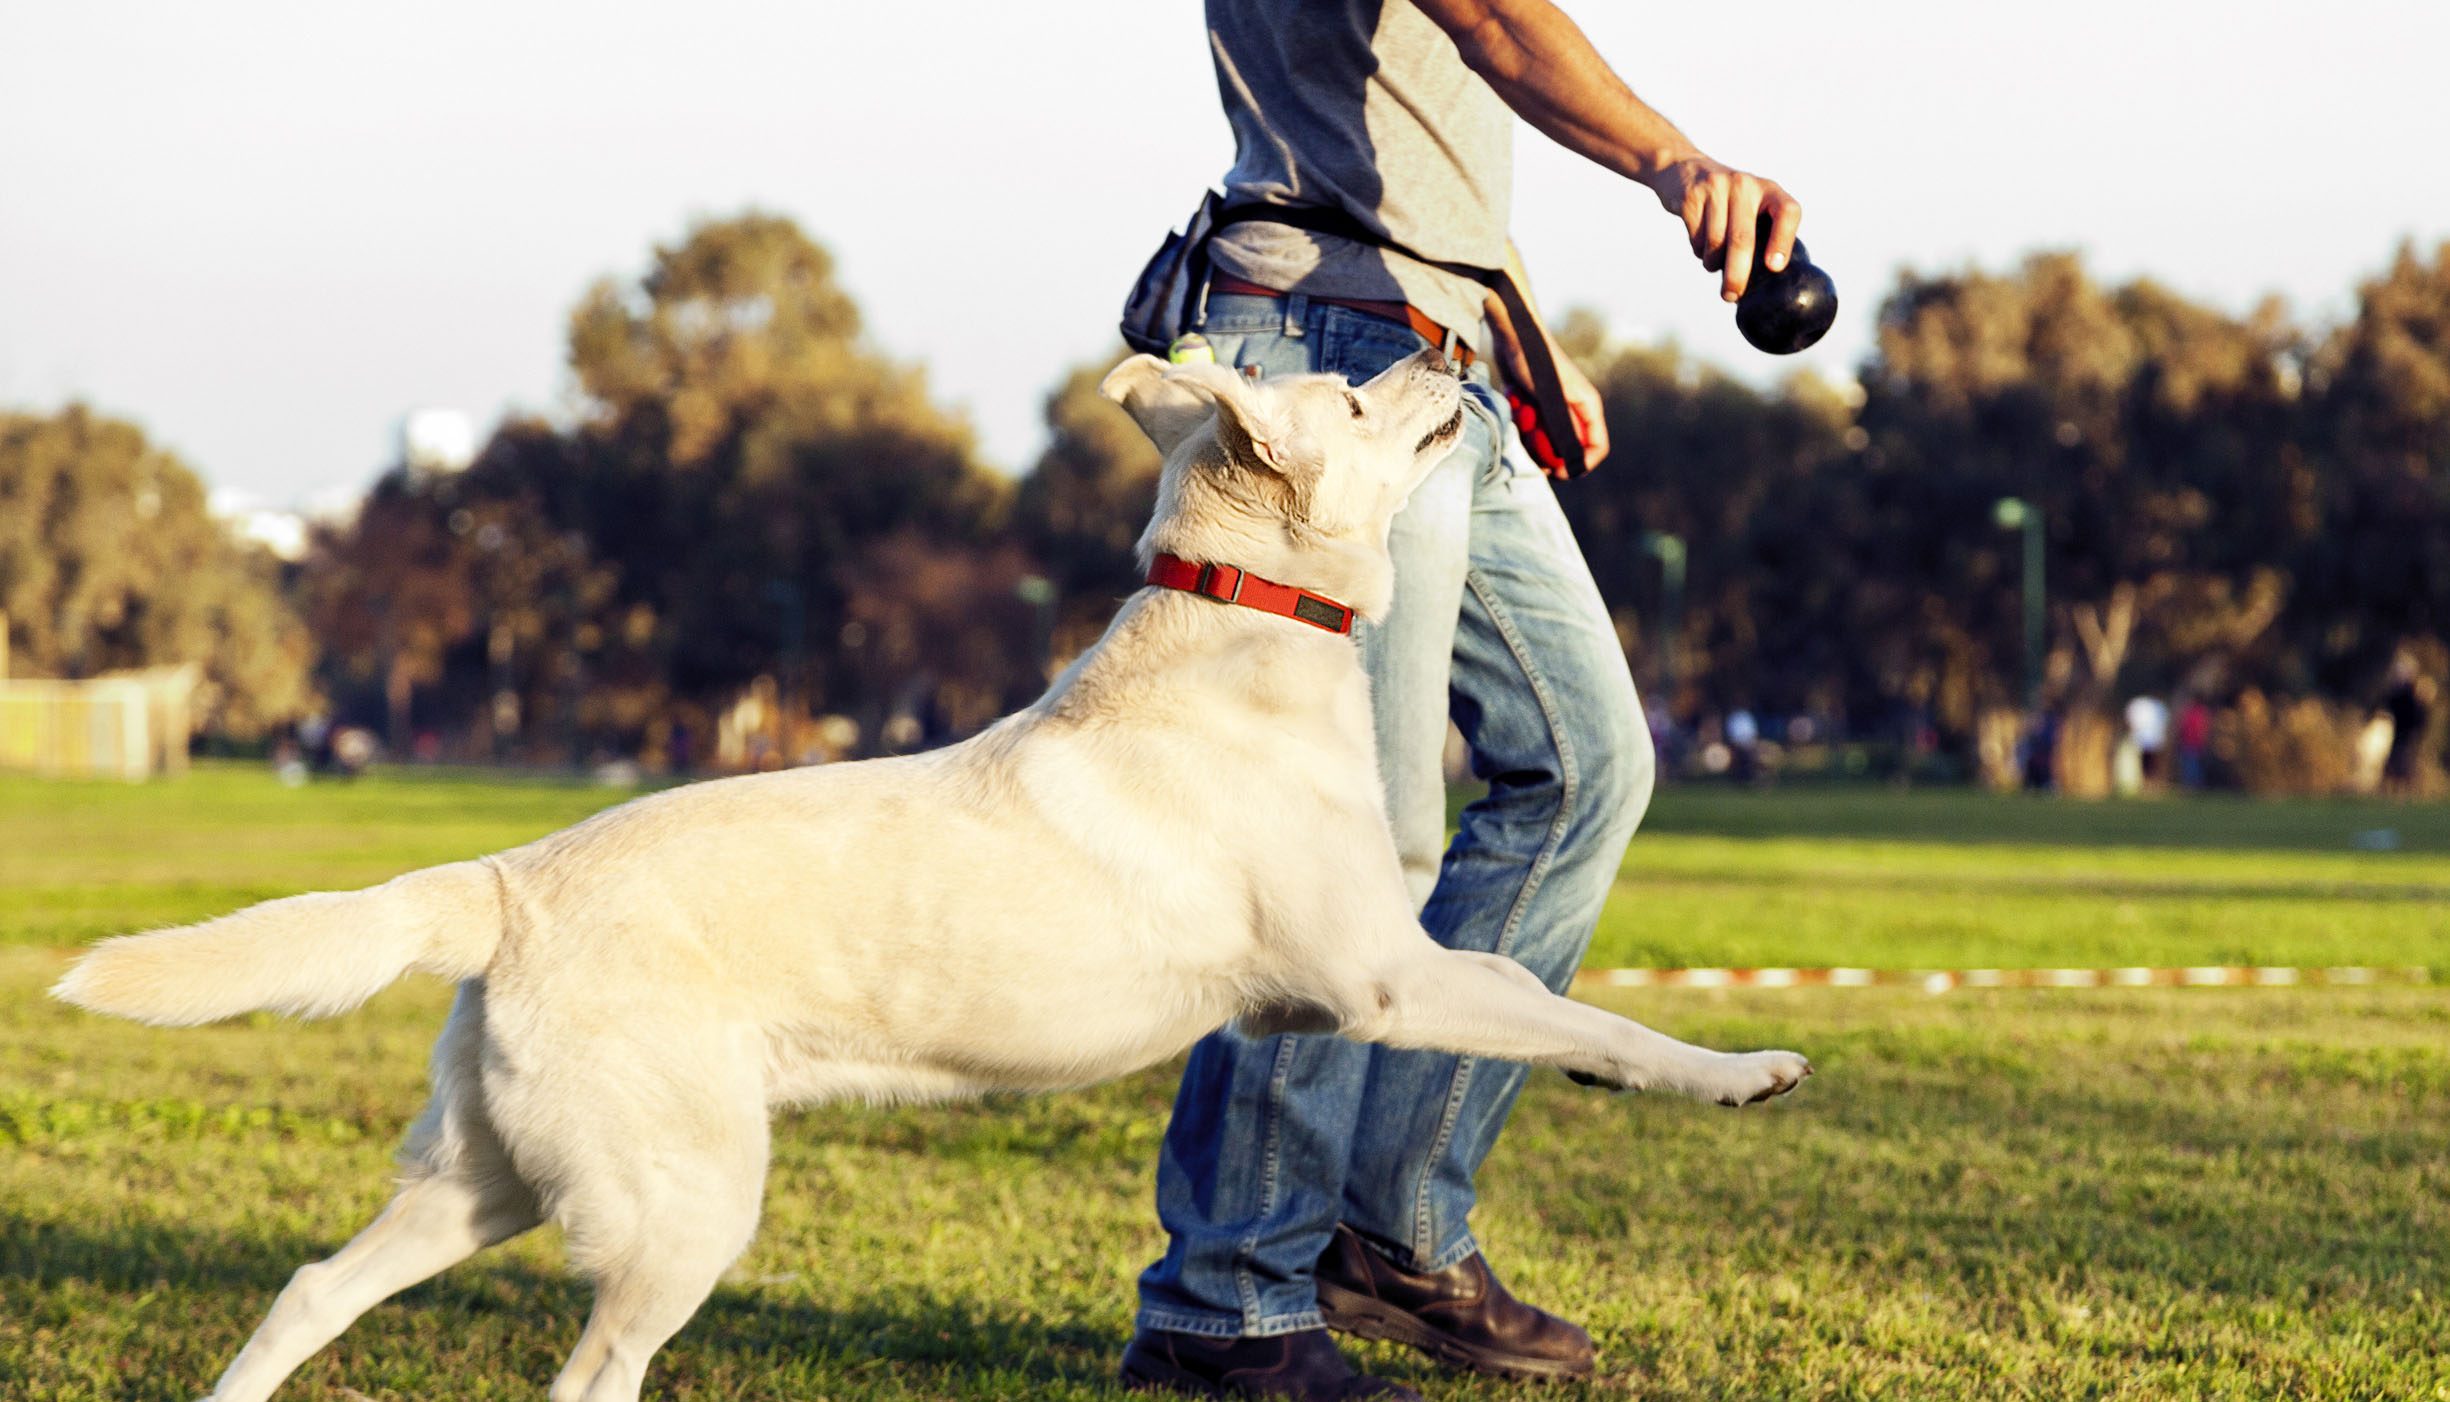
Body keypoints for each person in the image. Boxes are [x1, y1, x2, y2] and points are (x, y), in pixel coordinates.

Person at [1119, 3, 1806, 1397]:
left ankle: (1389, 1230)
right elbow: (1492, 20)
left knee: (1586, 765)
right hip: (1329, 358)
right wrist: (1673, 161)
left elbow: (1410, 128)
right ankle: (1227, 1298)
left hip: (1435, 353)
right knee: (1347, 856)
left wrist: (1513, 323)